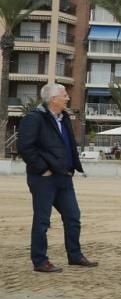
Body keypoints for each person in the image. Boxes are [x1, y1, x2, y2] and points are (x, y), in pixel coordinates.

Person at [16, 83, 98, 273]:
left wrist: (72, 168)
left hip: (64, 177)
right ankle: (40, 261)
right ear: (53, 99)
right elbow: (25, 147)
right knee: (42, 221)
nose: (68, 98)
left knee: (73, 217)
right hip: (43, 178)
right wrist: (43, 168)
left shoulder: (64, 118)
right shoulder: (35, 118)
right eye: (64, 95)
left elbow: (69, 144)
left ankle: (75, 255)